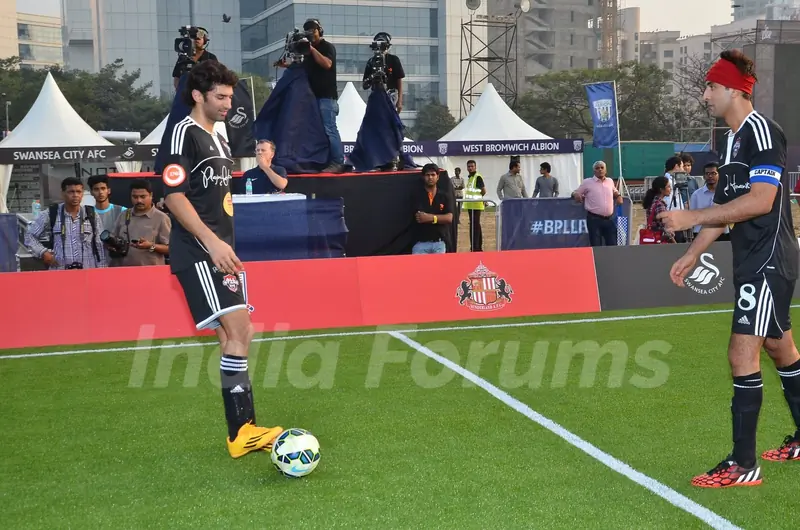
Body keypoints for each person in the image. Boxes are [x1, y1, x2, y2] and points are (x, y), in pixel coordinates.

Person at [659, 50, 800, 488]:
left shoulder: (763, 132)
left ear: (735, 90)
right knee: (780, 349)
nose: (705, 95)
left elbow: (761, 201)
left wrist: (691, 216)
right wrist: (692, 253)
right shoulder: (732, 141)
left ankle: (743, 464)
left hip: (768, 259)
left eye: (711, 86)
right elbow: (726, 209)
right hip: (753, 258)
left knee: (742, 354)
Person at [161, 60, 283, 459]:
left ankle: (242, 431)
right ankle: (242, 430)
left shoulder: (222, 136)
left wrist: (223, 244)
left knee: (234, 337)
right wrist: (213, 243)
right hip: (200, 251)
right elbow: (174, 197)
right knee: (241, 331)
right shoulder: (182, 133)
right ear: (198, 95)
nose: (229, 104)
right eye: (221, 96)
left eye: (230, 96)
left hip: (220, 250)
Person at [277, 18, 345, 173]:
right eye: (308, 31)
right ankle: (322, 161)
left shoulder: (327, 47)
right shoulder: (307, 52)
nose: (311, 33)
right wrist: (286, 65)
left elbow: (327, 64)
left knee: (329, 129)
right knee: (316, 131)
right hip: (313, 98)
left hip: (326, 97)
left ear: (319, 30)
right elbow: (305, 68)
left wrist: (311, 49)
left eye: (313, 30)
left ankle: (338, 162)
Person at [412, 163, 452, 254]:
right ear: (423, 177)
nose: (430, 177)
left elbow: (449, 218)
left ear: (438, 177)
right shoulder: (416, 195)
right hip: (420, 243)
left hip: (439, 243)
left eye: (433, 175)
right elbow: (419, 217)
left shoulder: (444, 196)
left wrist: (431, 218)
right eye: (427, 175)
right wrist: (439, 218)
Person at [641, 176, 675, 243]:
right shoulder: (659, 205)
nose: (670, 189)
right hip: (659, 240)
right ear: (661, 189)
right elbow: (665, 227)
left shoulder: (652, 201)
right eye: (668, 187)